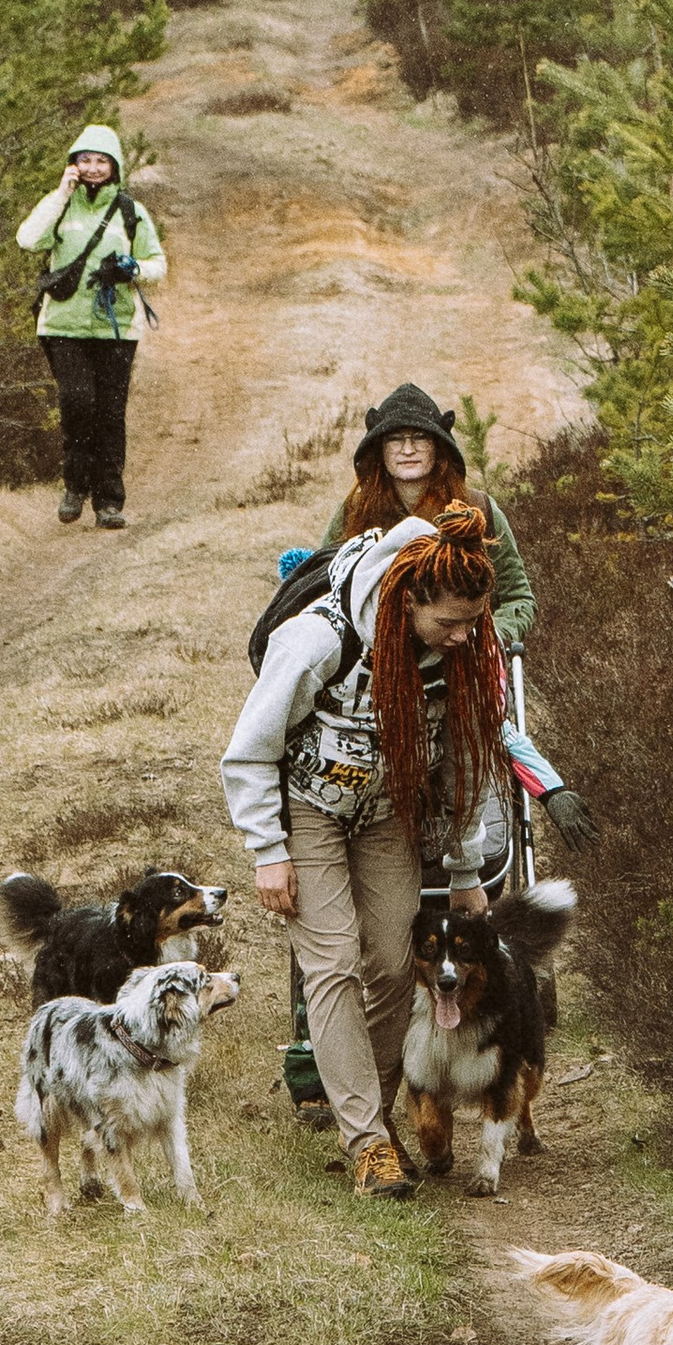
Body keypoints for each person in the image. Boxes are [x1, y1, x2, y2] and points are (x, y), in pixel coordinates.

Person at [221, 504, 507, 1206]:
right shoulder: (320, 640)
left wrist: (467, 870)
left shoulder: (462, 654)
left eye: (474, 621)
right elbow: (249, 750)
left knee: (388, 961)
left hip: (388, 814)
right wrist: (269, 851)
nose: (463, 636)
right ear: (407, 602)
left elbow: (462, 765)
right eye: (449, 623)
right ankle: (367, 1142)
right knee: (334, 963)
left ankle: (374, 1113)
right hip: (309, 811)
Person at [17, 123, 167, 529]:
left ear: (115, 166)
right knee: (78, 402)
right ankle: (74, 487)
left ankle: (109, 502)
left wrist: (132, 267)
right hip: (62, 325)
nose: (94, 167)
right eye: (85, 159)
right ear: (73, 164)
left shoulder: (131, 212)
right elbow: (29, 239)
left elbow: (157, 264)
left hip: (115, 327)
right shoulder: (60, 204)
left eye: (102, 160)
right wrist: (61, 193)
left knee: (110, 412)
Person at [321, 382, 534, 652]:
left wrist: (486, 639)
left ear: (439, 446)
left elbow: (518, 598)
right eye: (394, 438)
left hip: (461, 660)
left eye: (420, 437)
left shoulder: (477, 510)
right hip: (374, 668)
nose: (407, 449)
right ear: (380, 449)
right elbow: (325, 590)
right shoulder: (355, 512)